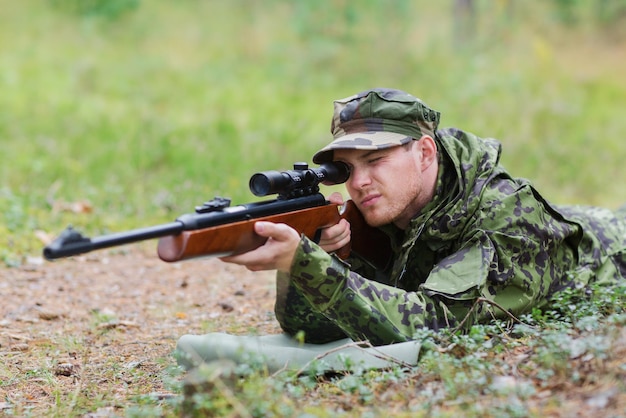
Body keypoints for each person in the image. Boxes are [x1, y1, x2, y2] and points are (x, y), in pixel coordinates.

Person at [176, 88, 626, 371]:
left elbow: (433, 324)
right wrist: (319, 257)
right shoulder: (389, 214)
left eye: (375, 161)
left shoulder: (508, 220)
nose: (359, 182)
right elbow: (308, 332)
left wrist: (306, 263)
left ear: (425, 153)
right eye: (347, 169)